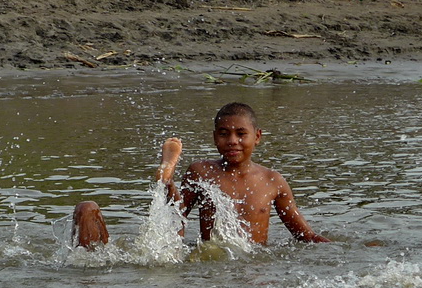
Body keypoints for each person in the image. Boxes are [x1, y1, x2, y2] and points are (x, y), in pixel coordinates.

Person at [72, 102, 330, 249]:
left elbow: (304, 235)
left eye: (241, 134)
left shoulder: (273, 180)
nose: (232, 141)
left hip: (253, 263)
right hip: (209, 258)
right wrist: (169, 185)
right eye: (223, 133)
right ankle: (165, 176)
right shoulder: (202, 171)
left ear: (257, 137)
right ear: (214, 137)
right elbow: (175, 218)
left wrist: (343, 248)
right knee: (86, 209)